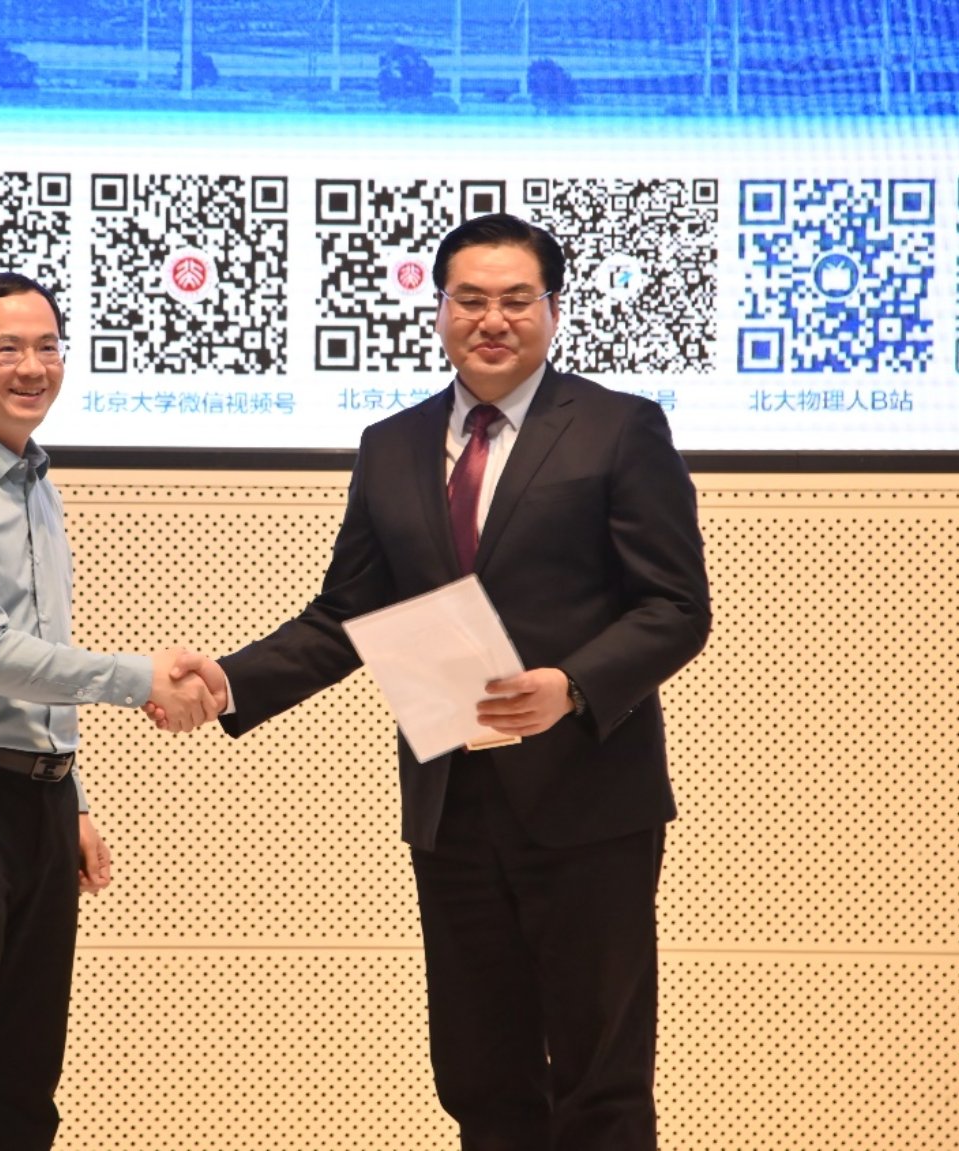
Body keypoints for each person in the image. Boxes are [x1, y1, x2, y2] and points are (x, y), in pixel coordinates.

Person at [160, 214, 712, 1150]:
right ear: (440, 308)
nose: (491, 320)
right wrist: (230, 678)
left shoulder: (619, 427)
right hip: (451, 804)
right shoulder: (391, 443)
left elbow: (675, 606)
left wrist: (571, 685)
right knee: (479, 1077)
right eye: (470, 300)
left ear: (552, 310)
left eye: (515, 300)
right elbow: (344, 614)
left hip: (589, 803)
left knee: (600, 1083)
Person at [0, 271, 219, 1151]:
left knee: (24, 1080)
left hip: (36, 799)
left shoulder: (33, 478)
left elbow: (39, 650)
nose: (33, 367)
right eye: (7, 348)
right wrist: (140, 677)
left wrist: (73, 795)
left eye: (48, 347)